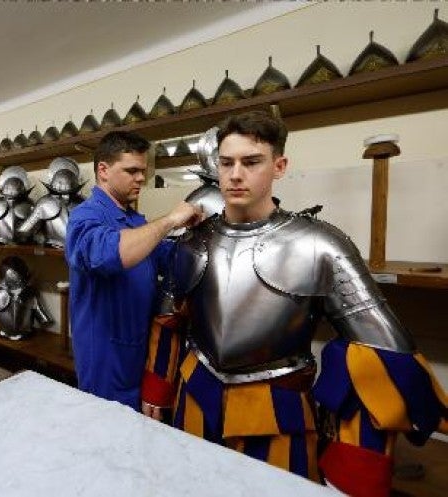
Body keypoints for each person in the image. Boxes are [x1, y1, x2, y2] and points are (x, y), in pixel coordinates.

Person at [141, 111, 447, 497]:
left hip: (277, 410)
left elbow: (383, 354)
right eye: (227, 162)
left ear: (279, 166)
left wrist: (356, 459)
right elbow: (169, 322)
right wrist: (157, 390)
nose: (236, 174)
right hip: (195, 398)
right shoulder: (190, 242)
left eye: (251, 162)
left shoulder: (320, 244)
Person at [65, 130, 201, 411]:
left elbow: (171, 259)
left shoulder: (134, 219)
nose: (141, 178)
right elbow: (108, 254)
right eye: (132, 171)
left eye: (144, 171)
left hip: (138, 348)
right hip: (105, 355)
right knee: (106, 429)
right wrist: (171, 220)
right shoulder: (85, 216)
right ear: (103, 170)